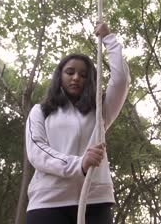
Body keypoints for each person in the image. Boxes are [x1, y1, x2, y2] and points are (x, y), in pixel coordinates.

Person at [25, 22, 130, 224]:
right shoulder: (40, 111)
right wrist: (78, 164)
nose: (76, 78)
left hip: (95, 201)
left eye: (83, 75)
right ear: (60, 75)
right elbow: (37, 152)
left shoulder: (100, 110)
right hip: (47, 203)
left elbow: (121, 80)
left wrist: (109, 39)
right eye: (70, 72)